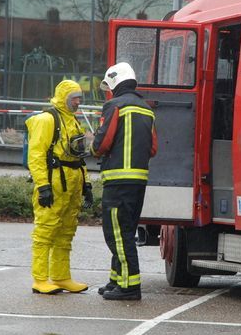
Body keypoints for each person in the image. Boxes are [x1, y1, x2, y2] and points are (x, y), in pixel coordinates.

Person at [91, 62, 157, 301]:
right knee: (125, 232)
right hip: (138, 182)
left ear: (116, 83)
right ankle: (116, 280)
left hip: (118, 182)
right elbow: (153, 148)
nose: (108, 92)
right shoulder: (146, 110)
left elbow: (102, 144)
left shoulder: (115, 105)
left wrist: (92, 146)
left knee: (116, 234)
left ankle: (129, 286)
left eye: (109, 87)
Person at [27, 79, 94, 295]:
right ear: (64, 98)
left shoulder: (73, 121)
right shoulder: (48, 120)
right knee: (45, 231)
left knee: (66, 232)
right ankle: (40, 279)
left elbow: (78, 156)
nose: (77, 102)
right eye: (74, 98)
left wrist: (87, 184)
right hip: (55, 182)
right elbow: (36, 155)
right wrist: (43, 185)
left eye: (79, 99)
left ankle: (61, 276)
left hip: (71, 183)